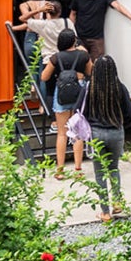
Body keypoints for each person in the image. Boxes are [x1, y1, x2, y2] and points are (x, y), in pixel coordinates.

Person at [82, 55, 131, 222]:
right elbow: (129, 115)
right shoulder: (120, 88)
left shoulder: (90, 88)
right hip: (116, 132)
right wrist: (120, 126)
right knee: (114, 168)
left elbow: (81, 112)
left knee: (99, 174)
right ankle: (117, 202)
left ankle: (105, 212)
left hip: (96, 133)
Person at [40, 28, 92, 179]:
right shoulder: (83, 55)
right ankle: (78, 169)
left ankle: (60, 170)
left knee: (62, 133)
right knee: (77, 132)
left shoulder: (56, 57)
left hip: (62, 93)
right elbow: (91, 71)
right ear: (74, 41)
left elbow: (44, 77)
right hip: (79, 93)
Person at [12, 0, 74, 106]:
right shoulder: (67, 22)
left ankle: (46, 107)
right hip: (64, 57)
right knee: (64, 85)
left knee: (48, 85)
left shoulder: (42, 25)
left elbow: (22, 19)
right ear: (60, 12)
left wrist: (40, 10)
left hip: (49, 59)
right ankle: (62, 109)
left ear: (47, 12)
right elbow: (74, 39)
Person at [17, 0, 50, 91]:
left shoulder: (24, 5)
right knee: (43, 69)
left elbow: (26, 19)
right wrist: (41, 10)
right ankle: (42, 105)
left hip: (30, 36)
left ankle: (33, 86)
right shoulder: (48, 4)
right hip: (44, 37)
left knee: (31, 65)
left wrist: (13, 28)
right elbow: (49, 23)